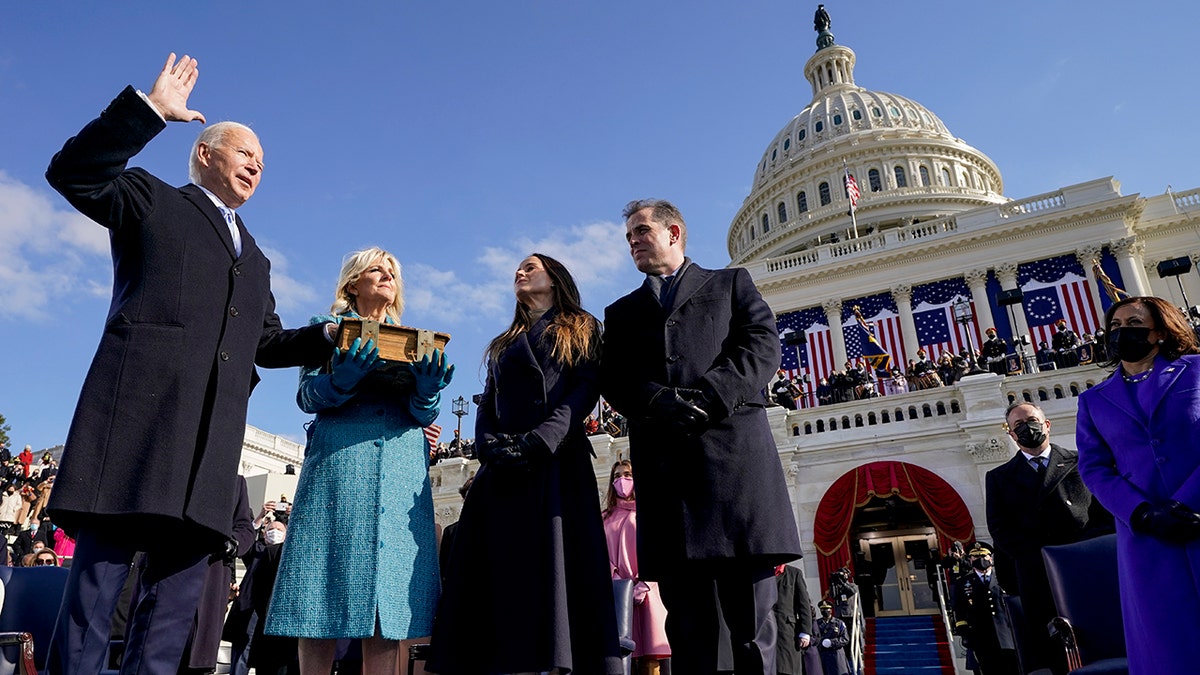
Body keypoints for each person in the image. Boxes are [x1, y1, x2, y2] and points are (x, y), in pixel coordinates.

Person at [43, 54, 335, 674]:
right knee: (96, 598)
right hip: (135, 430)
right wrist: (148, 113)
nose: (256, 164)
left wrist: (329, 336)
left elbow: (267, 343)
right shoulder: (152, 199)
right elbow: (74, 172)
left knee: (171, 615)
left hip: (207, 450)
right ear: (206, 153)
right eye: (244, 152)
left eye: (262, 160)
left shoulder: (255, 259)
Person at [600, 199, 802, 674]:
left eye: (641, 231)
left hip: (736, 475)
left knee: (753, 631)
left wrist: (710, 395)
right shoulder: (622, 311)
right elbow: (614, 377)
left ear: (674, 232)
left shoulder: (730, 284)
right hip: (671, 486)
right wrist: (655, 401)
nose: (633, 241)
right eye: (629, 235)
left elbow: (761, 345)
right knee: (690, 633)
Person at [429, 253, 622, 675]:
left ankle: (560, 660)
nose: (520, 272)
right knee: (496, 574)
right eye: (518, 268)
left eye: (530, 267)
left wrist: (541, 440)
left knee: (559, 572)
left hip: (555, 464)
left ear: (554, 278)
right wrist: (488, 446)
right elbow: (487, 402)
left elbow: (584, 391)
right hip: (501, 471)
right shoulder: (504, 342)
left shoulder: (583, 327)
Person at [265, 247, 452, 675]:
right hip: (339, 468)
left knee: (387, 602)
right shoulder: (323, 330)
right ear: (352, 282)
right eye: (377, 269)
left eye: (392, 271)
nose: (387, 275)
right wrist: (340, 381)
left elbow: (424, 414)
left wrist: (428, 391)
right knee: (320, 587)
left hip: (403, 471)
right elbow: (306, 396)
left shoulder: (414, 340)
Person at [1076, 295, 1200, 675]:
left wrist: (1185, 502)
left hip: (1196, 516)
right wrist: (1142, 512)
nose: (1121, 331)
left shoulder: (1196, 371)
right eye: (1114, 326)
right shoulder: (1093, 400)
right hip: (1147, 538)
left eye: (1132, 323)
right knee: (1168, 643)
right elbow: (1094, 468)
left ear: (1159, 332)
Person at [986, 402, 1112, 674]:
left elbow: (1104, 516)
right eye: (1018, 425)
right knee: (1052, 651)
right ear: (1011, 435)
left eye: (1031, 419)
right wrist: (1043, 556)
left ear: (1047, 424)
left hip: (1086, 568)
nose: (1026, 428)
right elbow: (1000, 529)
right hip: (1038, 575)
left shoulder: (1081, 462)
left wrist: (1080, 552)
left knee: (1101, 642)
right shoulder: (999, 478)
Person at [603, 460, 671, 674]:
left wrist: (645, 582)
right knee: (621, 658)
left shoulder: (648, 513)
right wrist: (614, 580)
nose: (621, 480)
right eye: (617, 476)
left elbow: (659, 549)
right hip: (617, 597)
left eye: (627, 474)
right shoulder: (605, 517)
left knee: (651, 660)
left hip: (648, 593)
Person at [952, 544, 1017, 675]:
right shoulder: (963, 583)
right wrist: (964, 632)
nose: (980, 559)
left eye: (983, 556)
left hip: (1007, 635)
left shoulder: (1004, 579)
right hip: (980, 636)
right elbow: (959, 609)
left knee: (1013, 669)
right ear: (970, 559)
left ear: (991, 558)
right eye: (975, 556)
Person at [772, 564, 819, 675]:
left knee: (787, 668)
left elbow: (804, 604)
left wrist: (805, 632)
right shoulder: (761, 572)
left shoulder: (794, 573)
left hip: (787, 631)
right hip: (764, 629)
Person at [813, 600, 849, 675]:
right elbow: (814, 639)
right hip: (823, 656)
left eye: (827, 609)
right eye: (822, 609)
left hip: (836, 656)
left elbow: (845, 639)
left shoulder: (839, 623)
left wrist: (831, 642)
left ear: (831, 610)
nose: (825, 611)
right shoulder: (816, 623)